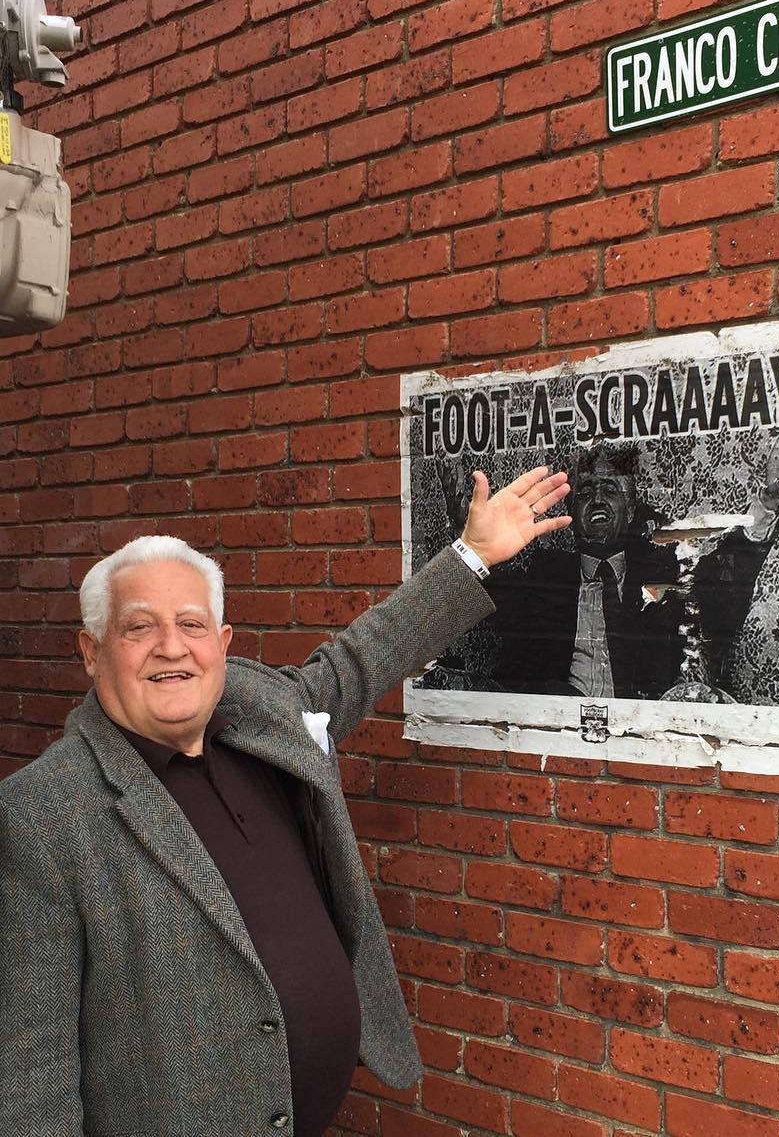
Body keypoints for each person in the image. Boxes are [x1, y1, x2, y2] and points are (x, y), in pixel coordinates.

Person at [0, 465, 570, 1137]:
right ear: (92, 653)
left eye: (191, 624)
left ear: (222, 644)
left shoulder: (259, 707)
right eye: (139, 628)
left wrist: (472, 555)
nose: (172, 647)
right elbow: (31, 1078)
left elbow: (360, 660)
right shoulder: (38, 817)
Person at [491, 445, 683, 699]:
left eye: (610, 490)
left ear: (630, 511)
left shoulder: (663, 575)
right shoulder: (543, 582)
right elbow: (511, 674)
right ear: (571, 512)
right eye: (586, 492)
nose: (598, 501)